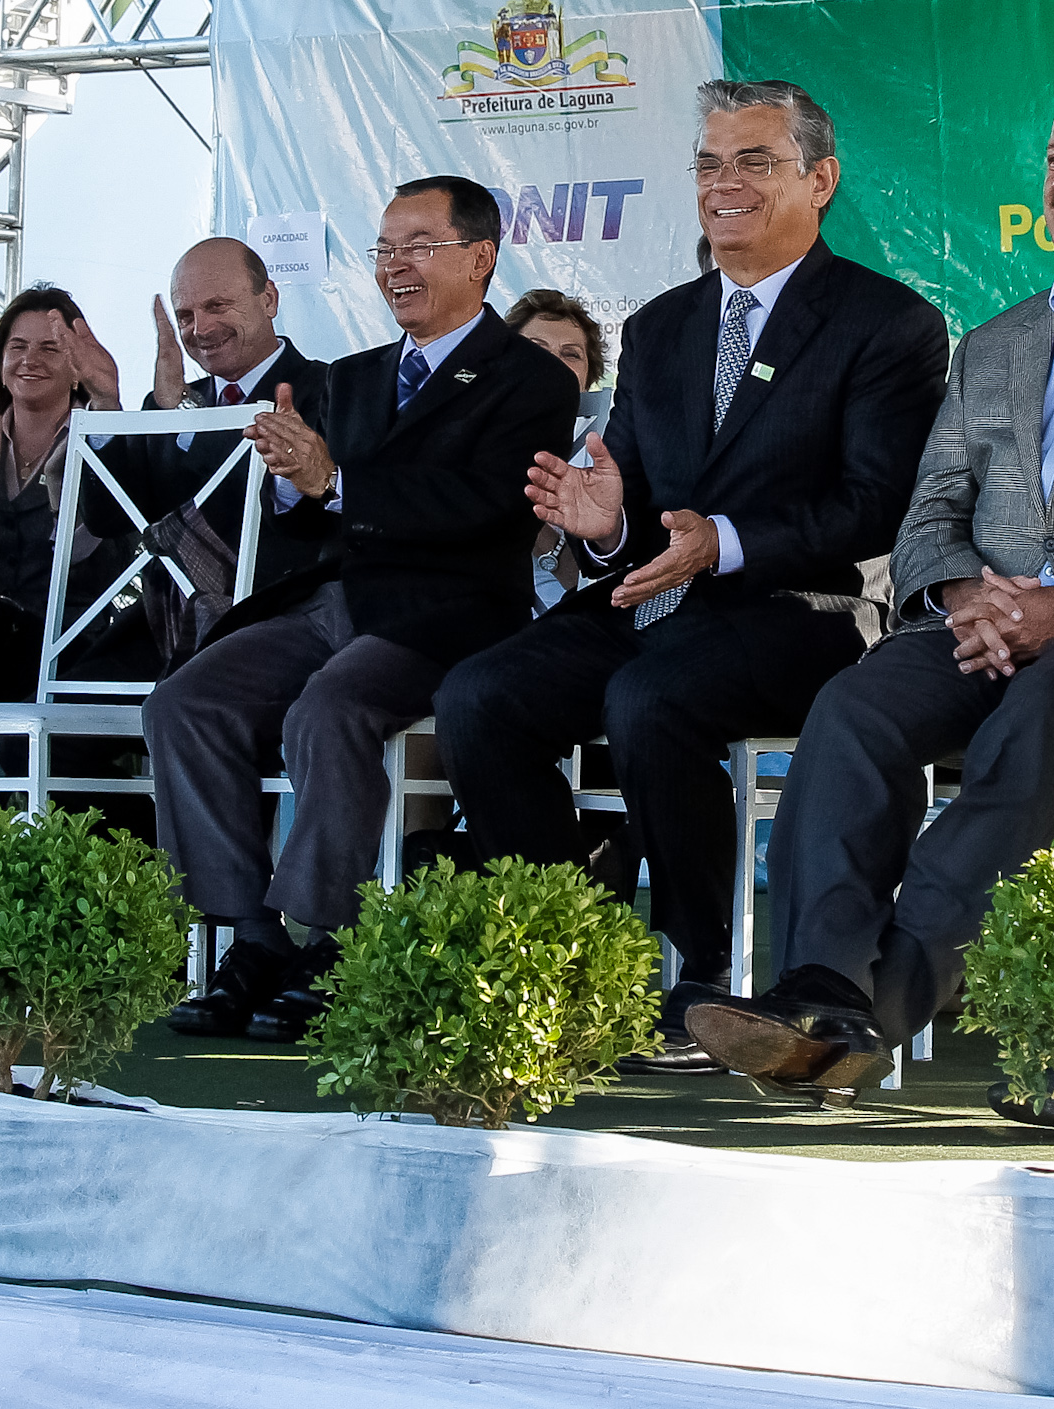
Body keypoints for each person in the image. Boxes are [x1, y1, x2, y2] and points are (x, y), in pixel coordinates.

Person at [684, 85, 1054, 1099]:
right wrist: (962, 596)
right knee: (855, 708)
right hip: (984, 620)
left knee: (1041, 721)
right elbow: (932, 503)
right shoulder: (1000, 339)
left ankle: (872, 1010)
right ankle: (818, 982)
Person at [439, 84, 952, 1061]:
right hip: (661, 596)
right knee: (479, 694)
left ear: (819, 179)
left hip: (810, 610)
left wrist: (724, 538)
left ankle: (698, 975)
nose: (724, 184)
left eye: (753, 162)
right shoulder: (664, 325)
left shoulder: (885, 325)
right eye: (709, 165)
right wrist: (603, 524)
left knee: (648, 697)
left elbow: (875, 505)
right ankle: (570, 952)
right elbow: (631, 497)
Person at [148, 175, 577, 1041]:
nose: (395, 266)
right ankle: (251, 936)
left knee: (331, 708)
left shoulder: (529, 378)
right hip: (336, 599)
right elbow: (311, 510)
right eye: (384, 249)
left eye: (419, 245)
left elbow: (490, 506)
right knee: (184, 703)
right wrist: (292, 476)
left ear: (480, 256)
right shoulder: (352, 376)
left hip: (446, 613)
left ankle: (329, 939)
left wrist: (336, 479)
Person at [87, 239, 330, 682]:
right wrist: (105, 406)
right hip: (164, 623)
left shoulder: (328, 390)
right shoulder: (170, 402)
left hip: (273, 624)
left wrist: (183, 417)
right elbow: (108, 520)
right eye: (185, 315)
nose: (201, 328)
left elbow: (250, 509)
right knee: (31, 735)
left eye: (218, 305)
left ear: (269, 299)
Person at [0, 285, 137, 701]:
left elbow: (109, 565)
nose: (29, 360)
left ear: (77, 367)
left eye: (49, 349)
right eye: (17, 346)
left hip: (66, 642)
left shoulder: (106, 439)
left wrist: (61, 489)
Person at [503, 288, 606, 610]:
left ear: (589, 377)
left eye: (571, 354)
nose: (553, 364)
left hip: (580, 626)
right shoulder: (465, 440)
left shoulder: (608, 455)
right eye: (536, 349)